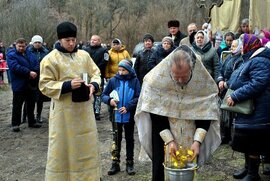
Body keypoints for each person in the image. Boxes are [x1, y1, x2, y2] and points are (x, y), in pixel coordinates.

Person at [135, 45, 221, 181]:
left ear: (192, 68)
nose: (180, 81)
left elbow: (206, 113)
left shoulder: (204, 84)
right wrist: (169, 141)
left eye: (184, 76)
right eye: (176, 77)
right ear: (169, 70)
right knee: (161, 172)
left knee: (188, 171)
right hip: (163, 135)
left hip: (190, 135)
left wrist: (197, 141)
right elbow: (156, 115)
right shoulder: (156, 82)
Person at [39, 21, 101, 180]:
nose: (72, 43)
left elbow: (96, 73)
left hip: (85, 112)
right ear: (60, 40)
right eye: (68, 40)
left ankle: (89, 176)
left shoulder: (84, 55)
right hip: (63, 115)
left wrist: (94, 85)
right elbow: (44, 85)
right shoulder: (50, 59)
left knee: (85, 146)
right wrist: (67, 85)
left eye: (73, 39)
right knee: (63, 147)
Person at [226, 33, 270, 181]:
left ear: (249, 45)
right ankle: (247, 168)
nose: (239, 47)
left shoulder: (261, 61)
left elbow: (258, 83)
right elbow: (237, 79)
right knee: (247, 141)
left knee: (253, 143)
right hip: (249, 110)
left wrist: (236, 95)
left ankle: (253, 174)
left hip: (258, 109)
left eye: (242, 43)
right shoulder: (250, 59)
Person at [101, 59, 140, 176]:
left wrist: (128, 106)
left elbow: (139, 97)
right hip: (115, 115)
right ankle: (115, 163)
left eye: (123, 70)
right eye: (119, 70)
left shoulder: (135, 81)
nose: (121, 72)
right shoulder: (113, 81)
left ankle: (129, 163)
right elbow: (104, 94)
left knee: (129, 139)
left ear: (129, 70)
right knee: (116, 139)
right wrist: (109, 100)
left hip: (129, 115)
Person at [7, 38, 41, 132]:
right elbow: (15, 67)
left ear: (26, 45)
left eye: (23, 46)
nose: (21, 48)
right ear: (16, 45)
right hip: (19, 84)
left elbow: (36, 64)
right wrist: (28, 72)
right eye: (19, 46)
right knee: (17, 105)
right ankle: (15, 124)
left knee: (30, 104)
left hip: (31, 83)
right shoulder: (11, 55)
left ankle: (32, 121)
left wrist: (34, 72)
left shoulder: (30, 53)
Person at [217, 39, 243, 144]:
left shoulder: (240, 60)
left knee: (232, 115)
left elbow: (236, 76)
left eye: (234, 46)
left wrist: (226, 83)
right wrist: (220, 80)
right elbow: (220, 70)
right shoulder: (228, 57)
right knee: (224, 114)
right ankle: (225, 136)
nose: (231, 48)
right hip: (224, 88)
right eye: (231, 45)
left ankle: (233, 138)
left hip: (232, 89)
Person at [84, 35, 109, 120]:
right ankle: (87, 111)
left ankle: (97, 112)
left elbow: (105, 61)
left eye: (94, 40)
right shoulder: (85, 50)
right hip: (86, 76)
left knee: (98, 94)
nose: (92, 41)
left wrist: (95, 69)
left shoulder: (104, 50)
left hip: (99, 75)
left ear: (99, 41)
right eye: (91, 40)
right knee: (87, 93)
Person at [26, 35, 49, 123]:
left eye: (39, 42)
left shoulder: (46, 52)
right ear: (32, 43)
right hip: (31, 77)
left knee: (40, 99)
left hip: (41, 77)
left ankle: (38, 115)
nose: (37, 44)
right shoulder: (28, 51)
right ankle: (27, 116)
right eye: (36, 42)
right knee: (29, 98)